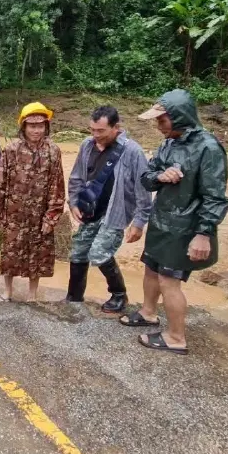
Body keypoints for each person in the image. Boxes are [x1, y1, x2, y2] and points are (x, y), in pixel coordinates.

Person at [120, 89, 228, 355]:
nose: (158, 126)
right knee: (151, 268)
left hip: (185, 227)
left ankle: (176, 337)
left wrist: (203, 233)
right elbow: (146, 175)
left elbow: (215, 196)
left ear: (179, 117)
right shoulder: (169, 142)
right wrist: (161, 177)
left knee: (169, 281)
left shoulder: (209, 148)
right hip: (162, 220)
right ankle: (148, 313)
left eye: (162, 120)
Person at [65, 106, 153, 313]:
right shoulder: (87, 145)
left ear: (116, 128)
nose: (96, 135)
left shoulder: (132, 151)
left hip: (116, 212)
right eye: (92, 130)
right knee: (78, 251)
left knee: (99, 252)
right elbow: (76, 177)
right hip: (89, 209)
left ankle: (119, 294)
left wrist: (139, 222)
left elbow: (144, 189)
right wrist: (73, 202)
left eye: (101, 131)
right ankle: (74, 296)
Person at [0, 102, 65, 302]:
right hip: (14, 213)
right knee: (10, 253)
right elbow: (0, 182)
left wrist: (51, 217)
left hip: (40, 214)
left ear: (46, 127)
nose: (36, 130)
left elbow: (57, 186)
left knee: (38, 254)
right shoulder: (11, 149)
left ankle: (32, 294)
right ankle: (8, 290)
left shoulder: (53, 151)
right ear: (23, 126)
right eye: (31, 126)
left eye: (40, 126)